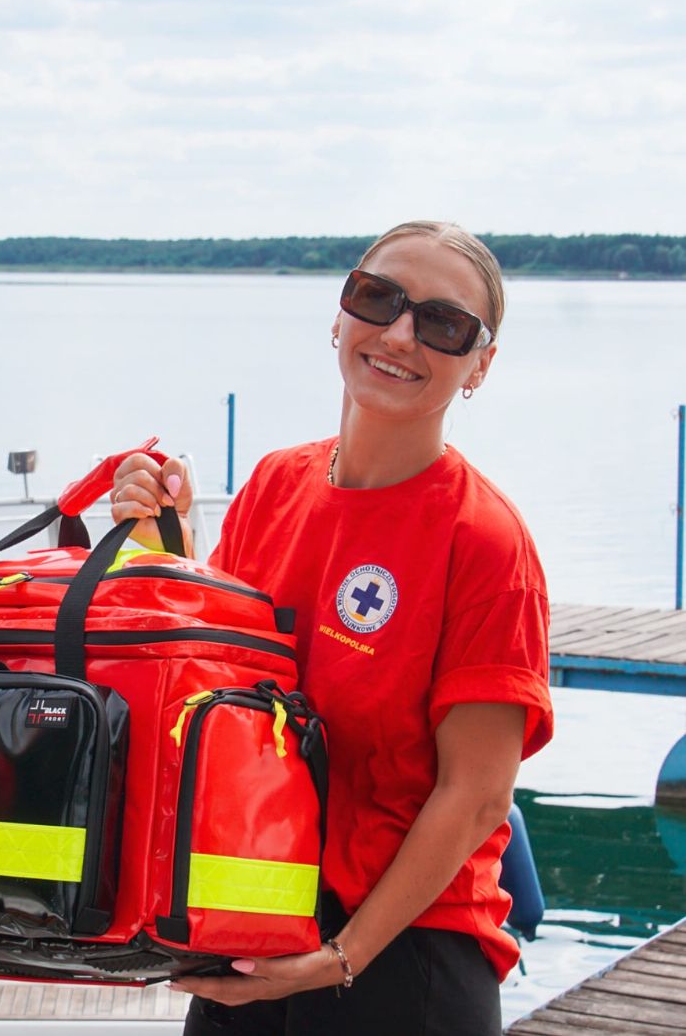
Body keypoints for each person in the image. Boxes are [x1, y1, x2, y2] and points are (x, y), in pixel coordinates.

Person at [111, 222, 552, 1035]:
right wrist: (166, 542)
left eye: (443, 323)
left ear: (481, 364)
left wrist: (341, 955)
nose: (399, 334)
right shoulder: (278, 484)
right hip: (250, 921)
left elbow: (479, 792)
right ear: (340, 313)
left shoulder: (485, 541)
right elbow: (215, 696)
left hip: (404, 956)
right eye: (377, 299)